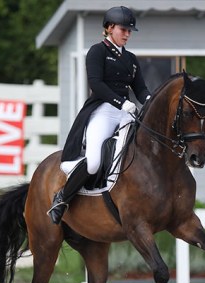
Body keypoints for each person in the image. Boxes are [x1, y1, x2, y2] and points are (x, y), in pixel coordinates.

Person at [48, 6, 151, 224]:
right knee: (94, 162)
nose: (127, 34)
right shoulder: (98, 51)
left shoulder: (131, 59)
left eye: (129, 31)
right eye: (123, 29)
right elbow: (96, 83)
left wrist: (151, 101)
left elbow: (140, 89)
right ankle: (62, 198)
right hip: (104, 110)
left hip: (126, 112)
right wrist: (121, 102)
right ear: (110, 28)